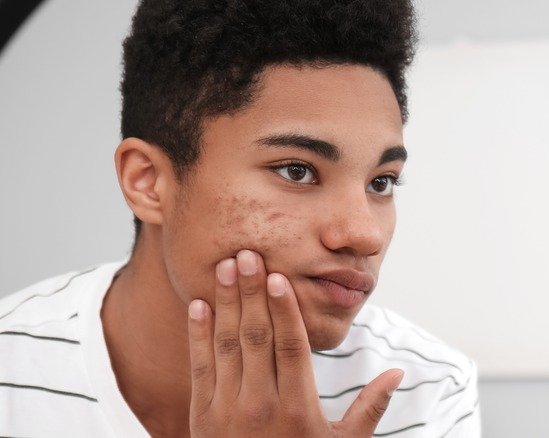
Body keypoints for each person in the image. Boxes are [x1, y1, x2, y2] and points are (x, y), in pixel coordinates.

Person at [0, 0, 480, 436]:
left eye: (381, 182)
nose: (364, 234)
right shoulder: (11, 374)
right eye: (297, 171)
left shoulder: (425, 390)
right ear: (147, 182)